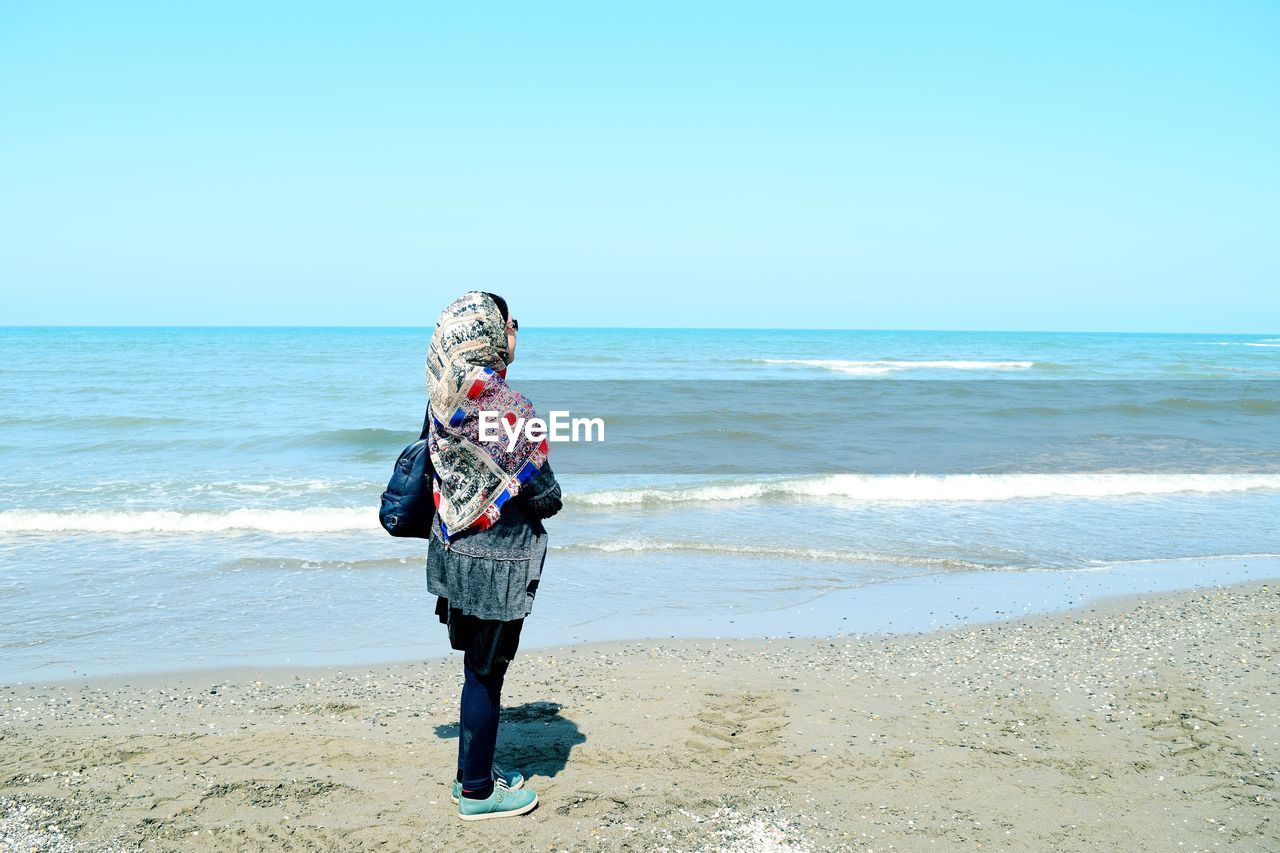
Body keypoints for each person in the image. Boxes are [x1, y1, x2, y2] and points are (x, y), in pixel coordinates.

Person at [422, 291, 562, 821]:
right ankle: (478, 792)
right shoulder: (509, 408)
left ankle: (471, 775)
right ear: (487, 331)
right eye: (510, 323)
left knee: (475, 668)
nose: (515, 333)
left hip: (453, 550)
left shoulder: (442, 394)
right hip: (498, 565)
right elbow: (547, 497)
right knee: (487, 674)